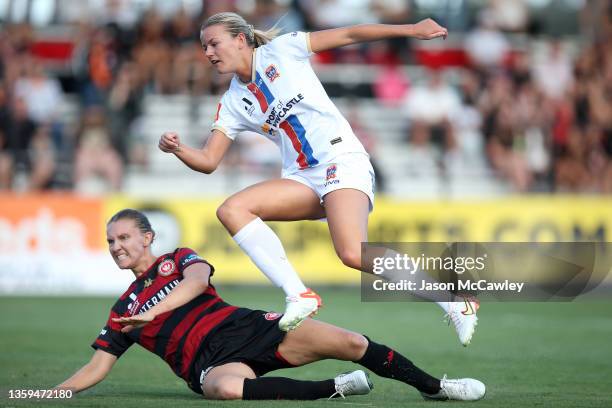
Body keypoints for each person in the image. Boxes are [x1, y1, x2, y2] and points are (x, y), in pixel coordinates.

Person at [158, 12, 479, 346]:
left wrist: (411, 30)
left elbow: (352, 33)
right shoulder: (233, 101)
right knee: (232, 210)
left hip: (341, 159)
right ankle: (299, 294)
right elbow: (209, 160)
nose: (208, 53)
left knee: (353, 253)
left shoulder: (283, 50)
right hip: (302, 176)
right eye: (204, 47)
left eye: (214, 43)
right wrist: (178, 148)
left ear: (240, 39)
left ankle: (455, 302)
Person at [55, 209, 486, 401]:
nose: (116, 247)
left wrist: (153, 312)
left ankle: (437, 388)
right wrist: (45, 393)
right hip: (208, 362)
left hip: (248, 327)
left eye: (124, 238)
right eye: (111, 241)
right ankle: (335, 388)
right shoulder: (122, 309)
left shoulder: (177, 259)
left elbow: (197, 280)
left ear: (147, 238)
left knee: (353, 341)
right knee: (224, 389)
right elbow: (97, 367)